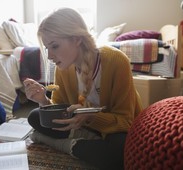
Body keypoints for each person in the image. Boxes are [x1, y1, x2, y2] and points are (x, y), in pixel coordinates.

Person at [23, 8, 143, 170]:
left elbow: (126, 121)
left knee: (120, 152)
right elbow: (60, 112)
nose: (50, 56)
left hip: (115, 127)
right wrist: (43, 100)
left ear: (77, 39)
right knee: (35, 116)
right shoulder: (62, 69)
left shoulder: (116, 61)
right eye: (47, 48)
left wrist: (90, 117)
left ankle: (60, 143)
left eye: (55, 46)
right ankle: (91, 141)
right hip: (82, 125)